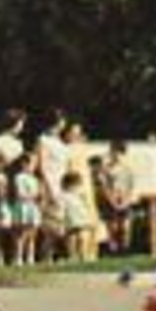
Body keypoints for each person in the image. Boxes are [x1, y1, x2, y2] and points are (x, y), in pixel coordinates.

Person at [0, 110, 28, 266]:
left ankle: (18, 256)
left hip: (17, 183)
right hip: (1, 181)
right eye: (20, 123)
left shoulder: (19, 143)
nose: (22, 127)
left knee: (19, 218)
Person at [64, 121, 103, 262]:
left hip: (86, 185)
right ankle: (74, 254)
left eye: (78, 132)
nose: (76, 135)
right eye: (73, 132)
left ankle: (91, 253)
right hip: (73, 185)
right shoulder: (66, 149)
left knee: (91, 219)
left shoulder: (83, 148)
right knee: (75, 223)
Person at [36, 109, 71, 258]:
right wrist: (50, 187)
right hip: (50, 182)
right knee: (50, 223)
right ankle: (46, 255)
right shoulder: (43, 140)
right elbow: (42, 165)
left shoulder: (61, 143)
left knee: (62, 222)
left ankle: (58, 254)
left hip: (63, 182)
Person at [102, 140, 137, 254]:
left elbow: (131, 185)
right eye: (114, 152)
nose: (117, 155)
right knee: (112, 227)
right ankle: (113, 249)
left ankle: (126, 248)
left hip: (125, 200)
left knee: (126, 226)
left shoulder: (128, 168)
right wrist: (111, 199)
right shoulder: (106, 169)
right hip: (111, 199)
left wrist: (126, 199)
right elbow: (105, 186)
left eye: (120, 153)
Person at [61, 170, 96, 262]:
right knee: (71, 237)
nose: (77, 187)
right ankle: (72, 255)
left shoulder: (81, 193)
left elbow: (87, 204)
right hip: (70, 217)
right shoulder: (64, 195)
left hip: (81, 217)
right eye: (75, 184)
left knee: (82, 236)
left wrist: (89, 215)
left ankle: (83, 254)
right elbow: (62, 206)